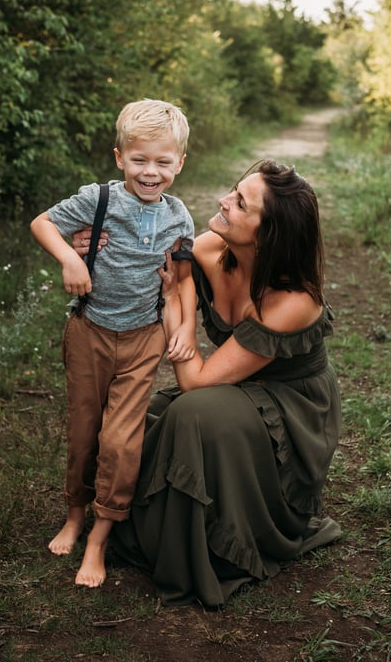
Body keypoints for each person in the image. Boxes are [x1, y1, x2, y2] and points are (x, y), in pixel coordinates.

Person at [112, 158, 343, 607]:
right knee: (143, 414)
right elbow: (151, 263)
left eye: (240, 203)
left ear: (268, 233)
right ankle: (133, 518)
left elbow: (196, 381)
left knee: (192, 414)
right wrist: (92, 239)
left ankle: (209, 544)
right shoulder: (211, 251)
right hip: (236, 390)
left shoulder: (294, 301)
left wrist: (177, 323)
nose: (223, 201)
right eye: (233, 190)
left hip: (290, 411)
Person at [29, 99, 196, 588]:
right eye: (140, 159)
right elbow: (43, 223)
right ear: (119, 156)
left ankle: (101, 536)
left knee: (120, 441)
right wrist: (70, 258)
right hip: (90, 332)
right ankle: (75, 514)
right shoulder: (98, 199)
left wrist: (183, 328)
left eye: (163, 162)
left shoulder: (179, 217)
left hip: (144, 339)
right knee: (84, 434)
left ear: (180, 164)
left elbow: (181, 280)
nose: (151, 172)